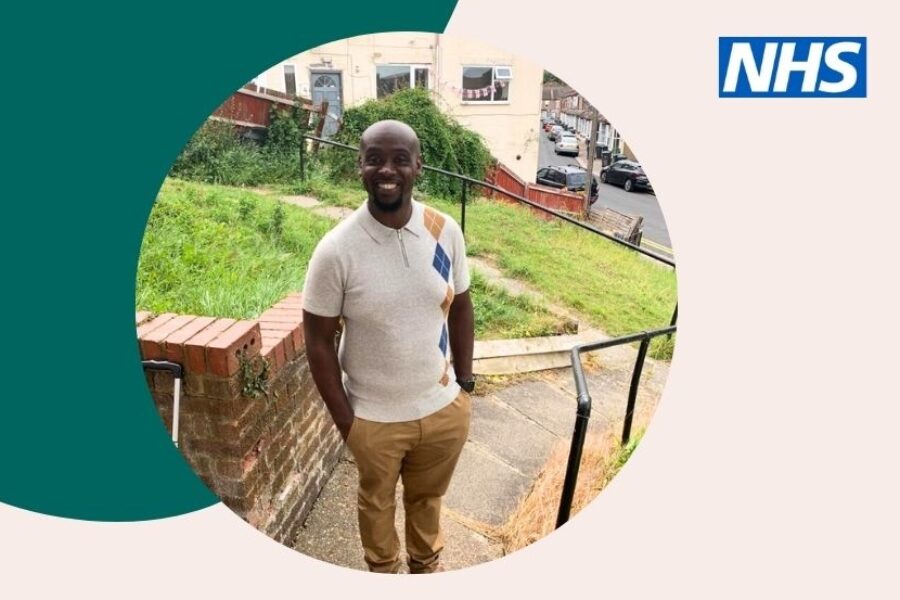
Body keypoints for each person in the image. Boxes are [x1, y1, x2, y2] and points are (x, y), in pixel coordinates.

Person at [302, 120, 475, 575]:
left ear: (418, 166)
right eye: (374, 158)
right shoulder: (337, 250)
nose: (387, 169)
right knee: (376, 506)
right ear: (359, 165)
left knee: (427, 501)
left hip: (441, 410)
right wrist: (347, 421)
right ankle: (383, 572)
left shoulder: (444, 230)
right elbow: (318, 343)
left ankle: (426, 567)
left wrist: (465, 382)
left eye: (400, 158)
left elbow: (461, 305)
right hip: (374, 419)